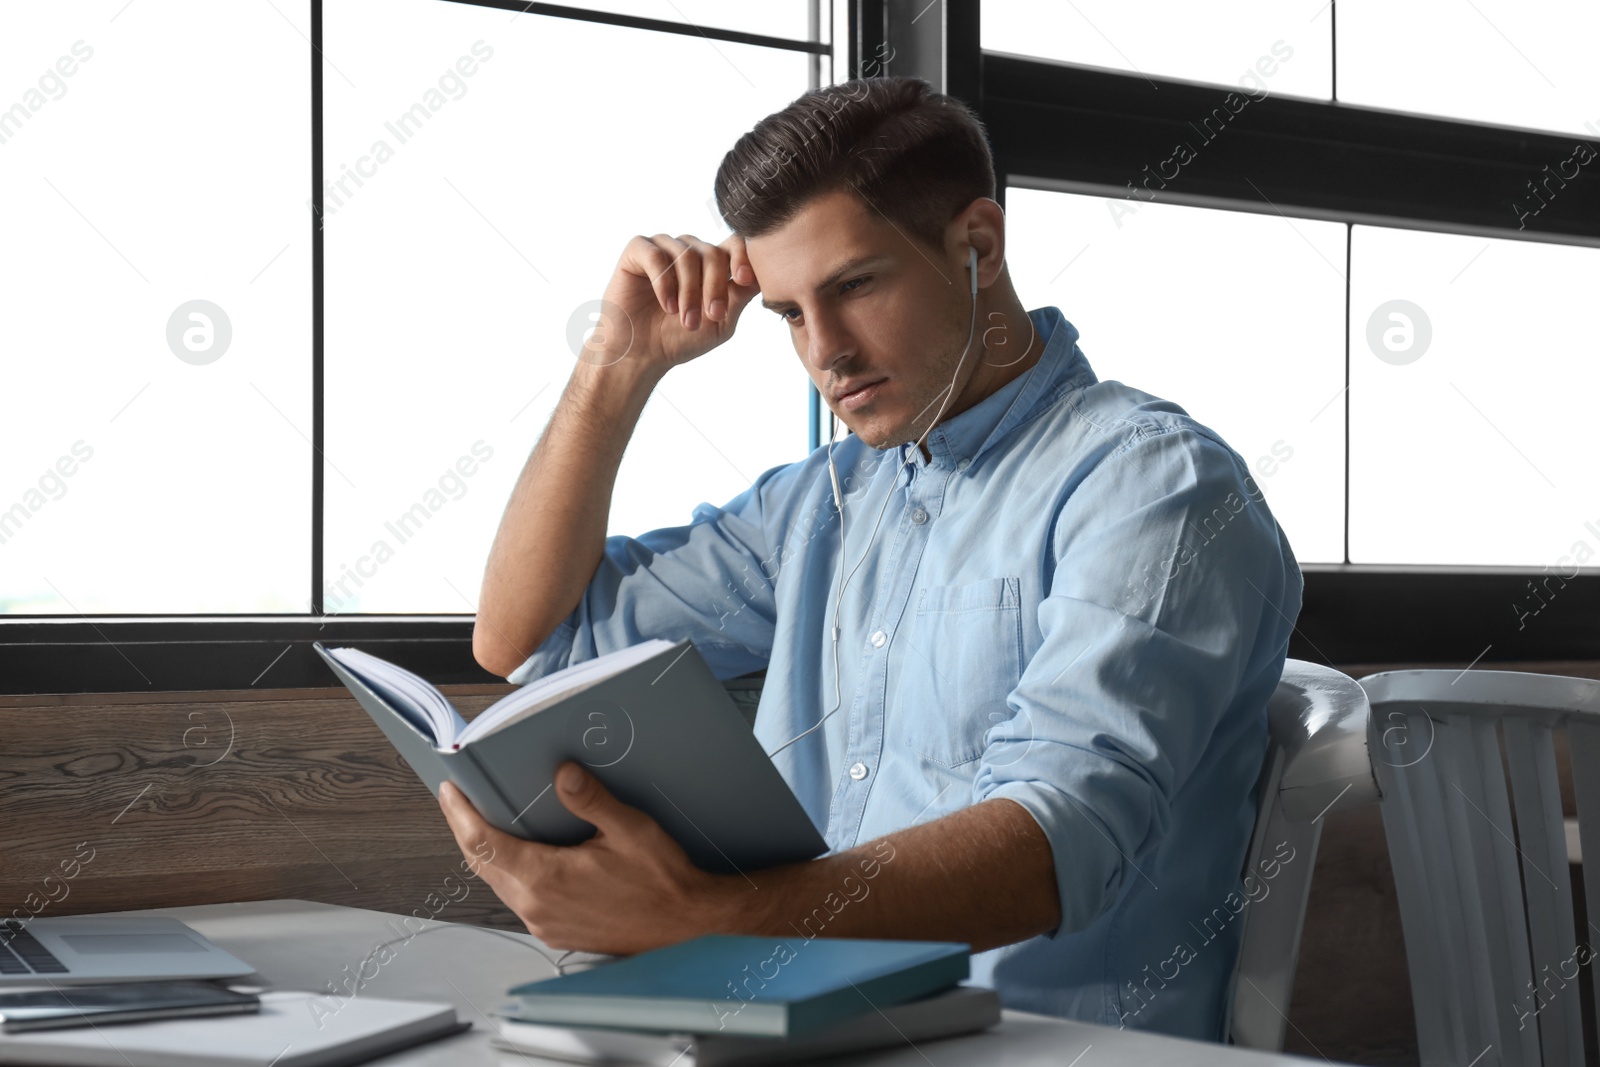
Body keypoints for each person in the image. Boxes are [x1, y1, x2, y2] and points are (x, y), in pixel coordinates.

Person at [440, 75, 1303, 1042]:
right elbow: (529, 640)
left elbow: (1054, 839)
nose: (828, 352)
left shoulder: (1155, 486)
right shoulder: (820, 499)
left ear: (977, 245)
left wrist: (706, 919)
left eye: (854, 286)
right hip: (800, 1035)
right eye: (790, 314)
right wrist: (615, 366)